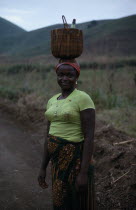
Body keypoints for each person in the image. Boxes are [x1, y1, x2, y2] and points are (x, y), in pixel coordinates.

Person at [38, 61, 95, 210]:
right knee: (60, 199)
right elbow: (48, 135)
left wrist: (83, 173)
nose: (64, 78)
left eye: (69, 75)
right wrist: (43, 167)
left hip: (74, 160)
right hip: (57, 162)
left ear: (76, 76)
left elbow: (89, 136)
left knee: (76, 201)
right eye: (61, 75)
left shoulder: (83, 98)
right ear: (56, 76)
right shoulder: (52, 100)